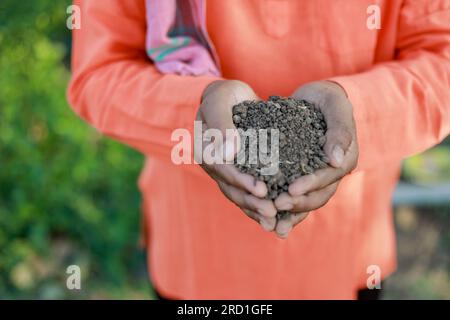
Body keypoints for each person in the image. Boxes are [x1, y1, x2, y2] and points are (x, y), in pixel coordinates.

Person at [68, 0, 450, 299]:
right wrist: (192, 113)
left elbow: (441, 59)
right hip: (198, 261)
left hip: (345, 259)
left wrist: (358, 114)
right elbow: (98, 71)